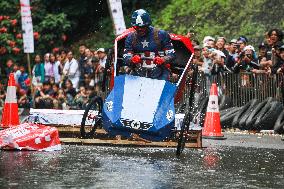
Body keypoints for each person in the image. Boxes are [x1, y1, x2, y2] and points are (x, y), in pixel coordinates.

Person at [123, 9, 176, 80]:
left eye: (142, 27)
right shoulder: (130, 37)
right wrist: (131, 59)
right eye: (136, 27)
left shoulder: (161, 35)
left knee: (165, 81)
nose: (139, 29)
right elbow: (126, 56)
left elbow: (172, 54)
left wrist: (163, 59)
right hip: (138, 72)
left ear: (148, 25)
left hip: (160, 72)